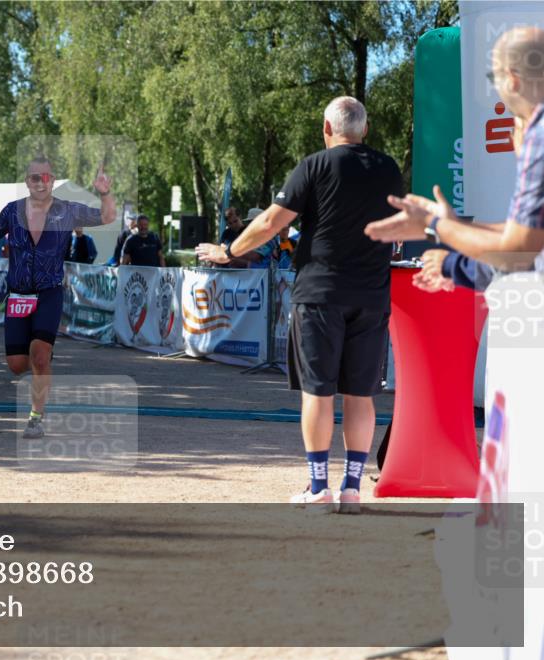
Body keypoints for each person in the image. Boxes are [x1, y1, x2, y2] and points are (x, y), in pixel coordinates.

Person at [197, 96, 404, 513]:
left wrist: (229, 251)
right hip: (372, 294)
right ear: (365, 129)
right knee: (360, 395)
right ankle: (351, 490)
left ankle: (318, 488)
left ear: (327, 128)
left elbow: (273, 222)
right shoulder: (389, 169)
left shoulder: (314, 165)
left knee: (318, 392)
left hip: (320, 294)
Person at [365, 26, 544, 277]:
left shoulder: (537, 135)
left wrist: (433, 226)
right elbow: (523, 234)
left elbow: (519, 249)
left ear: (512, 79)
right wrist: (452, 225)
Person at [0, 156, 116, 438]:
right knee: (16, 365)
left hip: (49, 292)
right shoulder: (12, 211)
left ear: (52, 180)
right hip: (18, 295)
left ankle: (36, 417)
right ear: (27, 181)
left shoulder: (67, 211)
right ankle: (41, 356)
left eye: (45, 177)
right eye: (35, 177)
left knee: (38, 356)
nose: (40, 182)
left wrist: (105, 193)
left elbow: (107, 217)